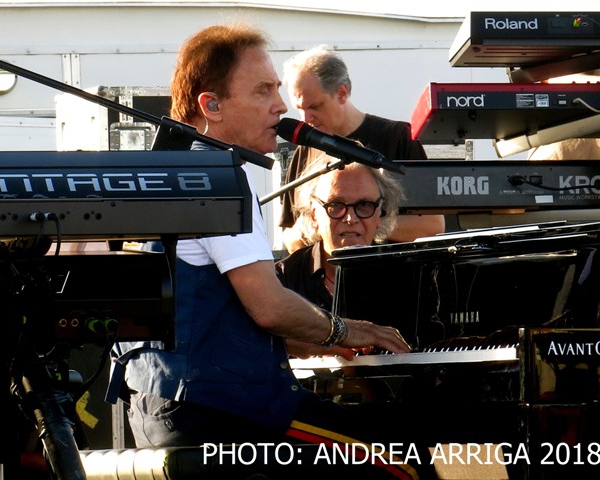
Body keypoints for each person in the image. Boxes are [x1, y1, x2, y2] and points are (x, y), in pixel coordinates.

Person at [107, 24, 426, 479]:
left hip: (164, 403)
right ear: (211, 105)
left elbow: (217, 317)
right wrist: (349, 329)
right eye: (263, 90)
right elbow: (269, 308)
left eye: (277, 89)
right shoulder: (217, 181)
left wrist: (322, 339)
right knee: (400, 460)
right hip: (220, 411)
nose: (281, 105)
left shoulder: (176, 170)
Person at [279, 44, 445, 253]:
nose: (305, 119)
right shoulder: (304, 152)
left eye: (314, 106)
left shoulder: (397, 137)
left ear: (342, 93)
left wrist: (365, 225)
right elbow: (289, 236)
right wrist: (314, 228)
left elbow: (432, 226)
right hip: (323, 274)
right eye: (299, 109)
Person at [275, 153, 402, 311]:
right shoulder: (281, 282)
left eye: (364, 205)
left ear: (380, 213)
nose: (350, 219)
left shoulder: (406, 281)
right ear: (313, 214)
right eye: (336, 205)